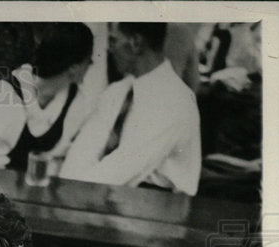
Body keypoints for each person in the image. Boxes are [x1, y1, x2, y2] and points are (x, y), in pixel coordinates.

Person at [59, 22, 201, 195]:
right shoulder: (117, 92)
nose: (108, 50)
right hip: (107, 197)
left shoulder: (176, 101)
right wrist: (64, 186)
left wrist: (69, 192)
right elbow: (83, 150)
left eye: (113, 41)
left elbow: (123, 169)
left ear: (135, 42)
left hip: (159, 207)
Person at [0, 23, 95, 169]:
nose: (91, 65)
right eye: (89, 60)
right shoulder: (1, 96)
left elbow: (61, 159)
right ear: (75, 67)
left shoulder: (76, 100)